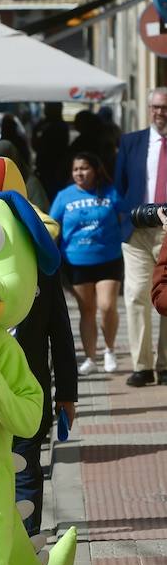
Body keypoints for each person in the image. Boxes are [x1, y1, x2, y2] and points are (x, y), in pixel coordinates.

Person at [12, 264, 78, 536]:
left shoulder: (43, 272)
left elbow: (60, 335)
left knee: (25, 468)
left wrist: (66, 395)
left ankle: (28, 543)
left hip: (30, 394)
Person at [112, 87, 167, 387]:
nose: (161, 113)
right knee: (135, 295)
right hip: (136, 231)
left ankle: (166, 363)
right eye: (156, 107)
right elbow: (119, 186)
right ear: (149, 109)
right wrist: (125, 216)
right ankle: (142, 366)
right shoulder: (131, 142)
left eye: (165, 107)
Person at [51, 152, 125, 374]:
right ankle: (91, 358)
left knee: (107, 305)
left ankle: (110, 350)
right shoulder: (64, 196)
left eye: (84, 168)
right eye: (75, 169)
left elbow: (125, 217)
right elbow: (52, 226)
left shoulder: (110, 193)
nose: (79, 173)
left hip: (108, 259)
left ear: (95, 170)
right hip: (76, 261)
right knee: (87, 310)